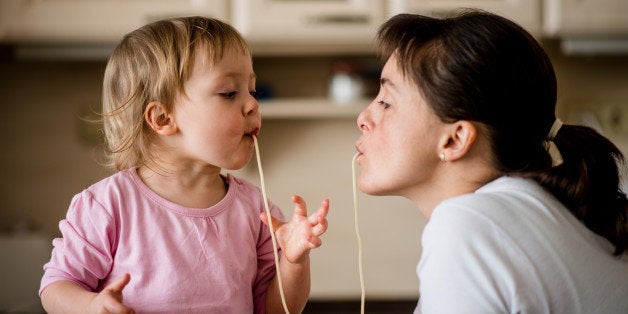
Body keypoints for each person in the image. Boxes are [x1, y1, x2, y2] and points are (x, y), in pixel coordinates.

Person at [39, 16, 330, 314]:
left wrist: (294, 262)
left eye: (251, 91)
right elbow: (57, 286)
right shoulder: (108, 205)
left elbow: (278, 309)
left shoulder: (256, 210)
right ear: (163, 119)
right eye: (229, 93)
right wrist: (90, 306)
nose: (253, 104)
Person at [354, 10, 628, 314]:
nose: (363, 118)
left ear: (455, 139)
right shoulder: (539, 209)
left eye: (386, 102)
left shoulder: (468, 227)